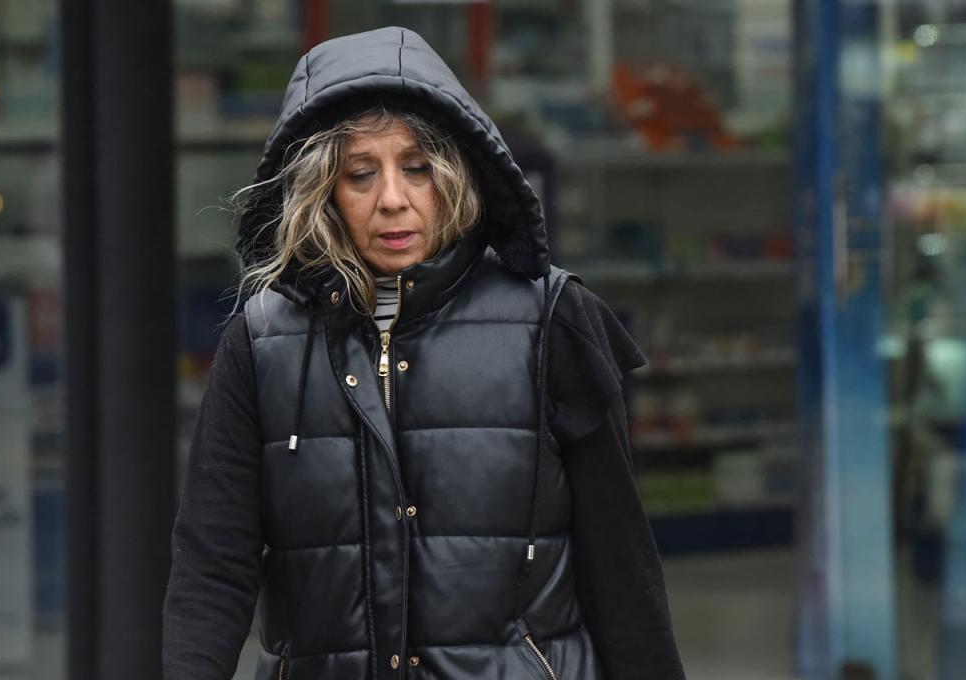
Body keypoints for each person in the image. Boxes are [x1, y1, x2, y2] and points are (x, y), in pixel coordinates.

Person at [163, 26, 685, 680]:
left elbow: (621, 569)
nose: (392, 199)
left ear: (454, 172)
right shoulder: (261, 343)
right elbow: (213, 567)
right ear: (322, 190)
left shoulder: (552, 321)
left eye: (417, 168)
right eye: (360, 173)